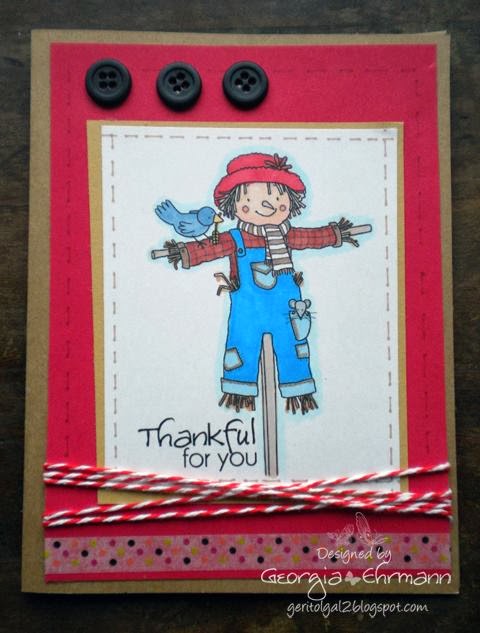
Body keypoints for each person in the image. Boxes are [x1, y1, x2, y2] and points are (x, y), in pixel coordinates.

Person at [164, 152, 361, 415]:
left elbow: (313, 237)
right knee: (241, 347)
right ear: (235, 205)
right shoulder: (234, 238)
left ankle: (298, 391)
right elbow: (208, 248)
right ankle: (239, 392)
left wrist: (336, 234)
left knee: (293, 347)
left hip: (287, 310)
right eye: (251, 198)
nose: (268, 205)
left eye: (278, 198)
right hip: (248, 312)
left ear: (289, 203)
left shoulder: (287, 235)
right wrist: (184, 253)